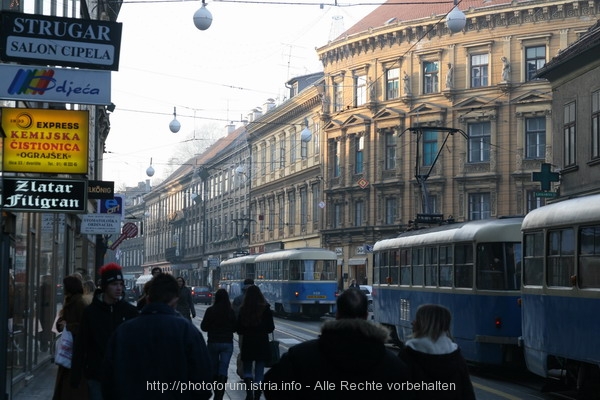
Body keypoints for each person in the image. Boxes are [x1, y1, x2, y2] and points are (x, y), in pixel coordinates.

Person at [263, 288, 411, 400]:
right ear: (366, 316)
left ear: (338, 314)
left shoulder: (301, 355)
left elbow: (271, 385)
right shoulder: (392, 363)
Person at [102, 273, 212, 400]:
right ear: (175, 300)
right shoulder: (187, 332)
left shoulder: (123, 331)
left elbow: (108, 378)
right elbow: (203, 380)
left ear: (148, 299)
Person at [70, 262, 138, 400]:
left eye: (121, 284)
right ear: (105, 286)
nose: (119, 288)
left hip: (123, 375)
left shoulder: (130, 311)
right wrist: (76, 375)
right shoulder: (91, 312)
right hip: (97, 374)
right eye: (114, 284)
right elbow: (81, 344)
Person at [398, 304, 476, 400]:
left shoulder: (408, 355)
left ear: (423, 324)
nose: (413, 323)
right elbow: (467, 394)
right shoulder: (456, 357)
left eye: (417, 319)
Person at [52, 275, 90, 400]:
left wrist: (68, 326)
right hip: (70, 349)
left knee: (71, 388)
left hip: (74, 350)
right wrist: (61, 324)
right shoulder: (70, 301)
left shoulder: (79, 302)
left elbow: (85, 327)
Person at [236, 285, 274, 400]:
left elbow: (239, 328)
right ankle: (257, 393)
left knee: (247, 368)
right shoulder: (265, 308)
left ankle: (249, 392)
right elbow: (270, 328)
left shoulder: (243, 309)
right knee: (259, 369)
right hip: (261, 342)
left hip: (248, 342)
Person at [200, 288, 237, 400]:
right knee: (223, 368)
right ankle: (219, 395)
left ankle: (215, 389)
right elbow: (235, 327)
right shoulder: (230, 311)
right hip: (227, 343)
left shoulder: (210, 310)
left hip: (213, 342)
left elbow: (203, 327)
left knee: (214, 367)